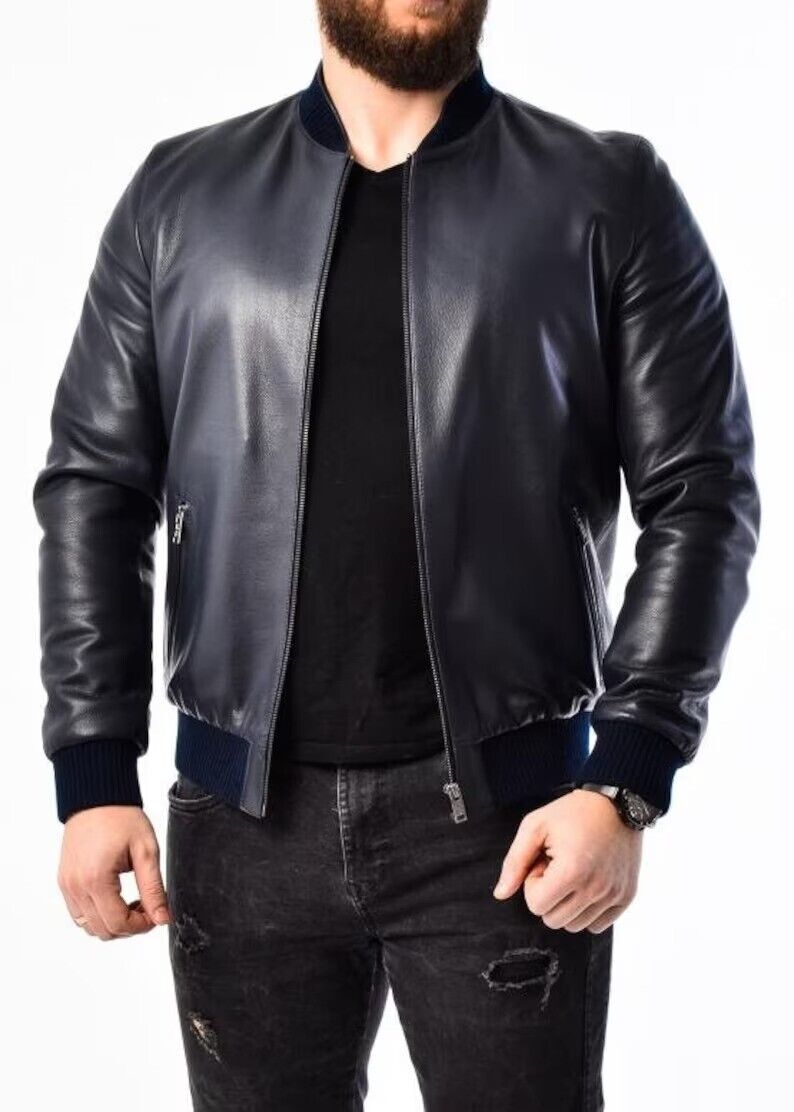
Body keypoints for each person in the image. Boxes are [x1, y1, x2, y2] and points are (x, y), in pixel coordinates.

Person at [32, 1, 760, 1108]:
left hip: (512, 822)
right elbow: (97, 484)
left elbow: (700, 493)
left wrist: (625, 774)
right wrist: (93, 766)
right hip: (240, 820)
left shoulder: (604, 193)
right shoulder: (182, 196)